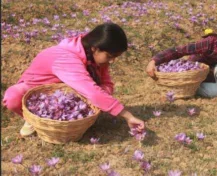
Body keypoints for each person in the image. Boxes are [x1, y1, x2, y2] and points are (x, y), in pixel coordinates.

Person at [3, 23, 145, 137]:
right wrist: (127, 115)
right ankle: (35, 119)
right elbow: (92, 92)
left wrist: (103, 94)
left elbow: (106, 84)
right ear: (95, 48)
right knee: (13, 97)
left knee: (93, 95)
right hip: (37, 93)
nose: (112, 61)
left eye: (115, 57)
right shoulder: (66, 58)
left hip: (66, 93)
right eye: (109, 56)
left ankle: (71, 122)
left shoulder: (92, 54)